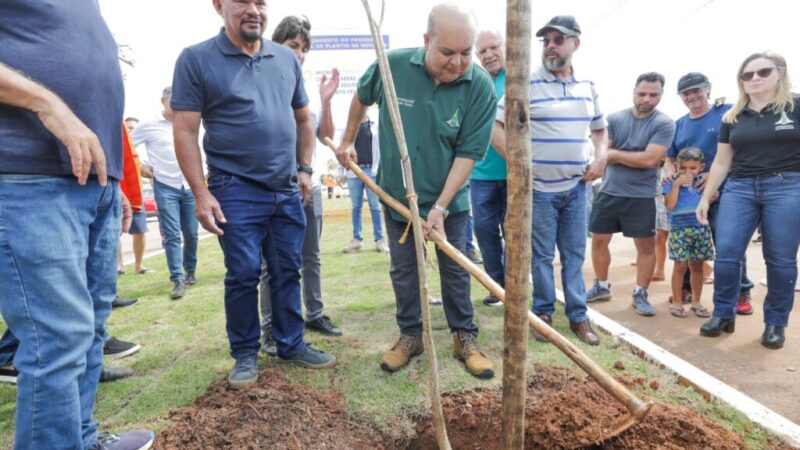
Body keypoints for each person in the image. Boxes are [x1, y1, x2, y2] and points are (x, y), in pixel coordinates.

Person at [0, 2, 155, 449]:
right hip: (28, 177)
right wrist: (47, 103)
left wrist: (116, 185)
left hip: (94, 183)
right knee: (57, 340)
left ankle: (80, 439)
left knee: (88, 332)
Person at [171, 0, 336, 389]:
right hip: (234, 187)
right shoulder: (196, 59)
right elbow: (184, 131)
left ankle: (291, 343)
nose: (253, 10)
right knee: (244, 273)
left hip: (285, 188)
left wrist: (306, 169)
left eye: (260, 2)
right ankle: (245, 352)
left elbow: (301, 120)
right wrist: (200, 192)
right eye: (242, 1)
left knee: (286, 269)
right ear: (218, 5)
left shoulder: (285, 59)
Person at [335, 4, 496, 379]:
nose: (458, 62)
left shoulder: (480, 85)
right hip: (397, 198)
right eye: (447, 52)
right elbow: (361, 95)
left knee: (455, 270)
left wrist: (440, 206)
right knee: (404, 271)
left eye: (466, 52)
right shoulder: (391, 66)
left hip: (450, 202)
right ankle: (411, 335)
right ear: (426, 41)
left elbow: (469, 152)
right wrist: (347, 141)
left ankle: (464, 337)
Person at [492, 15, 607, 345]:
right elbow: (494, 127)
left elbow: (600, 130)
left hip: (577, 188)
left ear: (575, 43)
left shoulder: (588, 87)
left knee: (573, 255)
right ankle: (543, 312)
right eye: (546, 41)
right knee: (540, 257)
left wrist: (602, 157)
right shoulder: (526, 85)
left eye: (558, 39)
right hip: (539, 190)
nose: (551, 46)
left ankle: (578, 317)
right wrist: (518, 165)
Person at [697, 51, 800, 349]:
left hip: (787, 187)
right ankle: (724, 313)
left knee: (779, 259)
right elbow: (721, 161)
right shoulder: (733, 116)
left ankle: (775, 323)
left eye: (762, 72)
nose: (754, 79)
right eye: (747, 74)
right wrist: (706, 197)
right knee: (727, 253)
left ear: (780, 72)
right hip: (740, 188)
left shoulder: (795, 106)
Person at [258, 15, 342, 357]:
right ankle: (268, 327)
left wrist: (326, 100)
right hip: (271, 187)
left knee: (311, 256)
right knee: (272, 262)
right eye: (294, 46)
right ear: (276, 43)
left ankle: (315, 314)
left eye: (304, 48)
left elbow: (325, 136)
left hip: (307, 184)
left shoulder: (301, 88)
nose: (301, 54)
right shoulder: (260, 79)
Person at [586, 72, 676, 316]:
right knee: (598, 241)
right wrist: (617, 156)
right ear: (633, 92)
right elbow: (601, 151)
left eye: (653, 95)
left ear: (661, 95)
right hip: (609, 192)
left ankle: (640, 293)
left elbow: (649, 160)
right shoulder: (614, 118)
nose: (646, 99)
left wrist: (613, 155)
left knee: (646, 247)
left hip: (641, 196)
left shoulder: (665, 123)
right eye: (642, 93)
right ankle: (601, 286)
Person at [667, 72, 755, 313]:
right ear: (681, 97)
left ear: (708, 89)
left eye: (697, 90)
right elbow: (670, 156)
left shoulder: (727, 111)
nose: (692, 96)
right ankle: (685, 290)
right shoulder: (679, 124)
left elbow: (743, 145)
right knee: (688, 249)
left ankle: (741, 291)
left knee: (729, 245)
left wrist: (713, 176)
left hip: (728, 193)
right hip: (690, 201)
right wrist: (669, 172)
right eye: (686, 93)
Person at [132, 86, 200, 300]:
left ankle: (190, 270)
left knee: (191, 233)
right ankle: (177, 279)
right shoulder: (149, 125)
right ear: (163, 101)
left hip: (189, 185)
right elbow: (127, 147)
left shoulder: (191, 122)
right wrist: (142, 165)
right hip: (165, 185)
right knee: (171, 235)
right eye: (174, 100)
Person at [472, 29, 507, 307]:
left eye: (493, 47)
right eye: (482, 51)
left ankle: (516, 283)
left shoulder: (520, 79)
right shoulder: (475, 81)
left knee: (514, 231)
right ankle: (497, 286)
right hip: (480, 174)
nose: (488, 55)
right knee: (484, 230)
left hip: (512, 172)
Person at [663, 148, 714, 318]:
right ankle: (677, 302)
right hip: (679, 230)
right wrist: (676, 184)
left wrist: (713, 195)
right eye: (683, 168)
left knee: (698, 266)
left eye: (692, 168)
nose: (687, 172)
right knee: (680, 266)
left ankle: (696, 301)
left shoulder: (704, 182)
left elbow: (713, 197)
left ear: (701, 167)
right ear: (677, 166)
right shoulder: (670, 182)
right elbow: (670, 205)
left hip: (700, 229)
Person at [342, 114, 390, 254]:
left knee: (375, 206)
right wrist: (341, 170)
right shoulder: (349, 126)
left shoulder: (374, 125)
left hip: (371, 171)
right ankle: (357, 240)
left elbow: (381, 149)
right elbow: (342, 147)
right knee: (356, 207)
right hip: (353, 170)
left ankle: (380, 241)